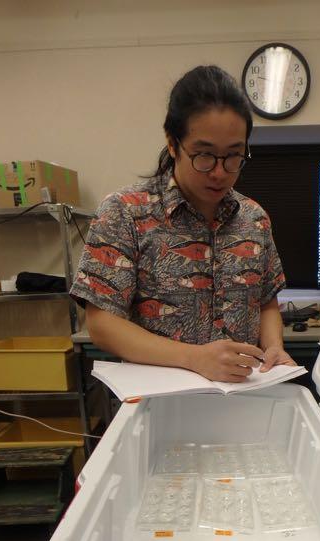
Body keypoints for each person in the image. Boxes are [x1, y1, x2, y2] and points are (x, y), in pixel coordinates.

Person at [70, 65, 295, 383]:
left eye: (233, 156)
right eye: (204, 155)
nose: (219, 172)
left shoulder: (253, 219)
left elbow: (266, 300)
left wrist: (273, 347)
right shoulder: (125, 213)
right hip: (160, 404)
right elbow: (102, 323)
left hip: (243, 398)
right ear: (173, 143)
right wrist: (195, 358)